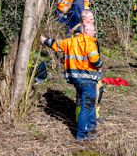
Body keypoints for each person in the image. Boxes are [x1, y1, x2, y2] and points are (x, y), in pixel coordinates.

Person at [40, 11, 103, 141]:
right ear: (86, 31)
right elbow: (94, 60)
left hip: (76, 78)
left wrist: (44, 40)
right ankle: (82, 134)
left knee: (88, 104)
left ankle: (91, 128)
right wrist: (101, 64)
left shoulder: (70, 41)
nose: (94, 33)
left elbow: (55, 44)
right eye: (93, 31)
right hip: (88, 78)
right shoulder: (89, 42)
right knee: (87, 106)